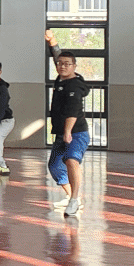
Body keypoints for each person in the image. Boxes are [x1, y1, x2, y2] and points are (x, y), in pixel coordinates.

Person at [45, 30, 91, 217]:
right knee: (55, 167)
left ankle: (73, 200)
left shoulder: (74, 86)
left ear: (74, 66)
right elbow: (58, 55)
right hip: (61, 133)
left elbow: (73, 111)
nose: (62, 66)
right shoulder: (61, 78)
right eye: (60, 63)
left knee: (71, 160)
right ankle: (72, 196)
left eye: (67, 64)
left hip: (76, 133)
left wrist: (67, 132)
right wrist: (52, 41)